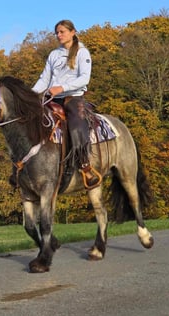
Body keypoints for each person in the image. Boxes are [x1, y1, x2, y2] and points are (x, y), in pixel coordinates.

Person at [31, 19, 99, 189]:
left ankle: (85, 166)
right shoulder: (54, 54)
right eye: (57, 33)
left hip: (73, 98)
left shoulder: (82, 52)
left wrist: (62, 88)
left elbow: (85, 78)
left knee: (76, 125)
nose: (59, 35)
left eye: (62, 32)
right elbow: (44, 79)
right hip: (52, 98)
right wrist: (30, 95)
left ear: (73, 32)